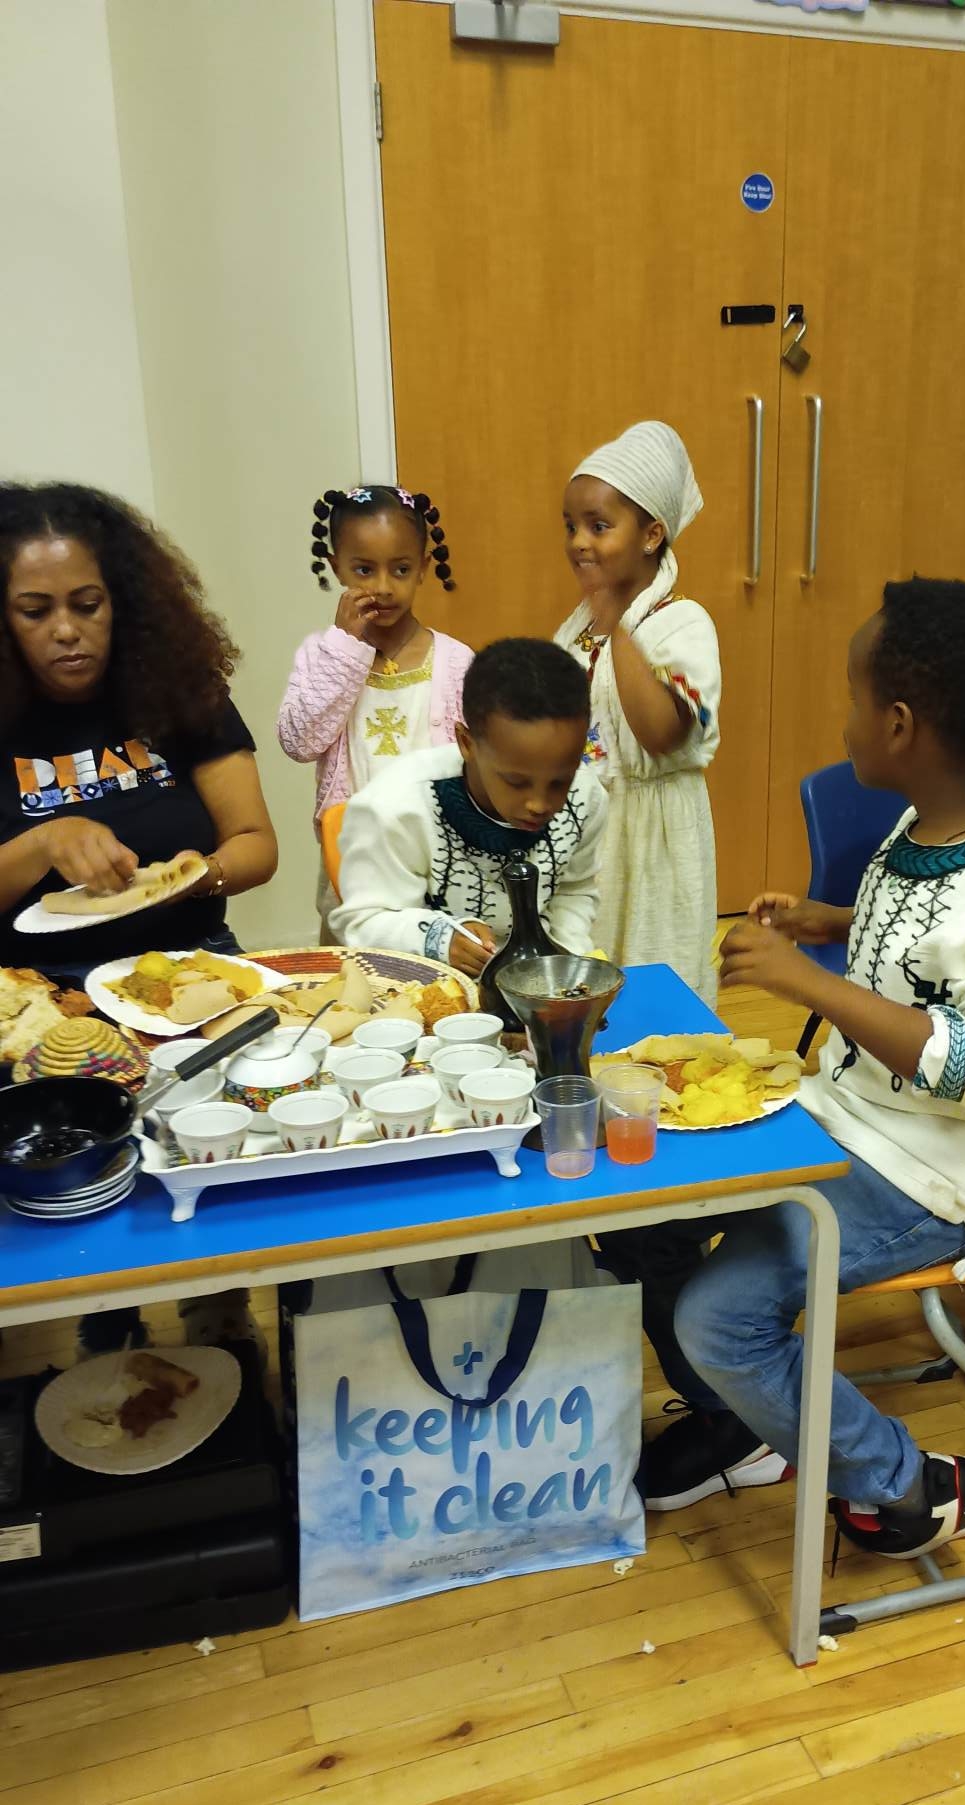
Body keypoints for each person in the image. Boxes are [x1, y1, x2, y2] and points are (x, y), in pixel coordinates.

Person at [624, 579, 965, 1560]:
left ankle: (908, 1484)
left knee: (719, 1319)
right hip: (851, 1118)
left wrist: (810, 983)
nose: (842, 720)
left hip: (944, 1174)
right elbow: (925, 953)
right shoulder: (928, 821)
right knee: (645, 1207)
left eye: (852, 699)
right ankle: (744, 1423)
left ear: (900, 724)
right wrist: (830, 923)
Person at [0, 481, 279, 1358]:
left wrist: (186, 879)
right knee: (63, 1157)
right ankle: (100, 1311)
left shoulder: (178, 689)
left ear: (123, 599)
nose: (67, 630)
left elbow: (254, 844)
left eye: (87, 605)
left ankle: (217, 1310)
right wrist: (42, 843)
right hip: (37, 997)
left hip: (189, 967)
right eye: (36, 611)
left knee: (218, 1130)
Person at [554, 420, 720, 1004]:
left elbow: (662, 735)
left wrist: (618, 629)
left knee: (654, 987)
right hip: (589, 830)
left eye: (598, 526)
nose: (579, 542)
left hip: (654, 840)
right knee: (586, 980)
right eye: (571, 526)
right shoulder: (577, 628)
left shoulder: (682, 623)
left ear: (651, 535)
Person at [333, 638, 606, 972]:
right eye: (516, 782)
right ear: (466, 743)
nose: (539, 804)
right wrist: (438, 939)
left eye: (559, 781)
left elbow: (574, 891)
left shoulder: (586, 796)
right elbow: (362, 923)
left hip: (541, 981)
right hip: (428, 983)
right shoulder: (396, 807)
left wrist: (566, 965)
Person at [278, 485, 471, 938]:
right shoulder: (323, 655)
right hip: (352, 869)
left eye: (400, 569)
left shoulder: (457, 662)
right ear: (336, 568)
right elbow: (299, 741)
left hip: (436, 868)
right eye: (364, 570)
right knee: (355, 972)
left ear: (423, 567)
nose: (383, 587)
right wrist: (346, 647)